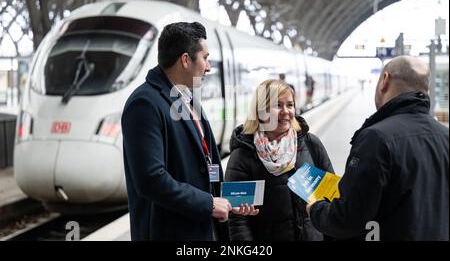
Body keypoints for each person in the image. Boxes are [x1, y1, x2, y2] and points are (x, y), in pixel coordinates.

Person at [121, 22, 255, 241]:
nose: (209, 67)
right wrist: (209, 204)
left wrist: (230, 201)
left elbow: (207, 162)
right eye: (205, 58)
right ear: (185, 60)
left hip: (202, 228)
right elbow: (150, 179)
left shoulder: (188, 99)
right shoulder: (145, 104)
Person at [307, 55, 449, 241]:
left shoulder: (376, 138)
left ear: (384, 80)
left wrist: (315, 209)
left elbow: (347, 220)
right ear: (426, 89)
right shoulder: (445, 136)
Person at [225, 79, 335, 241]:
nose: (286, 111)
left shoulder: (310, 144)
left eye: (290, 105)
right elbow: (237, 220)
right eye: (278, 105)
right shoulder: (244, 155)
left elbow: (331, 198)